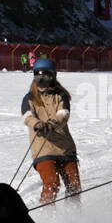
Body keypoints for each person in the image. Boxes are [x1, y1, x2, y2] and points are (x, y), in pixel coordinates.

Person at [21, 58, 82, 207]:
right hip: (43, 149)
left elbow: (63, 114)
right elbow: (27, 116)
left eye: (45, 75)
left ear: (53, 76)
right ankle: (47, 218)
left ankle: (74, 216)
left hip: (65, 147)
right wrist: (37, 124)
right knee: (52, 183)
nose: (41, 79)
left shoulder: (61, 95)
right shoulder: (29, 98)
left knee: (74, 186)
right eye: (38, 75)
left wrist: (53, 123)